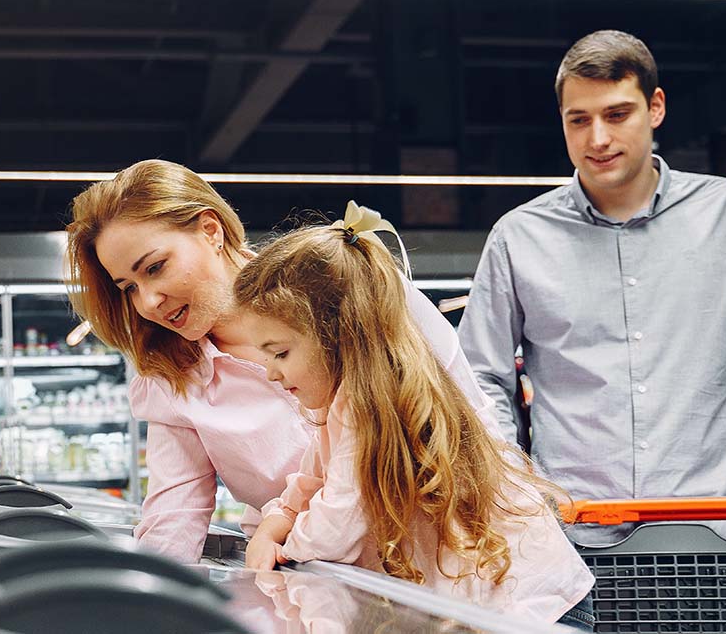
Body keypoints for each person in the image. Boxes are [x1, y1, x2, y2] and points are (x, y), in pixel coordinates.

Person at [458, 29, 726, 544]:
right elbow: (478, 379)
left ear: (655, 107)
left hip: (715, 535)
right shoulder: (518, 238)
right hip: (571, 541)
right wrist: (515, 481)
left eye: (616, 114)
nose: (597, 139)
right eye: (578, 120)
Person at [65, 160, 499, 563]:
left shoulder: (347, 284)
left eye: (155, 268)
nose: (149, 301)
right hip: (323, 592)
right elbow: (172, 518)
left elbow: (475, 426)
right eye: (128, 287)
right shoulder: (170, 377)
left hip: (456, 569)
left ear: (210, 231)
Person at [234, 215, 595, 628]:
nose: (271, 372)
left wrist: (285, 548)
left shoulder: (370, 404)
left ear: (338, 338)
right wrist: (273, 524)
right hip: (508, 603)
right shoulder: (341, 405)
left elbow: (337, 526)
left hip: (535, 607)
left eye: (279, 353)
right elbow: (310, 482)